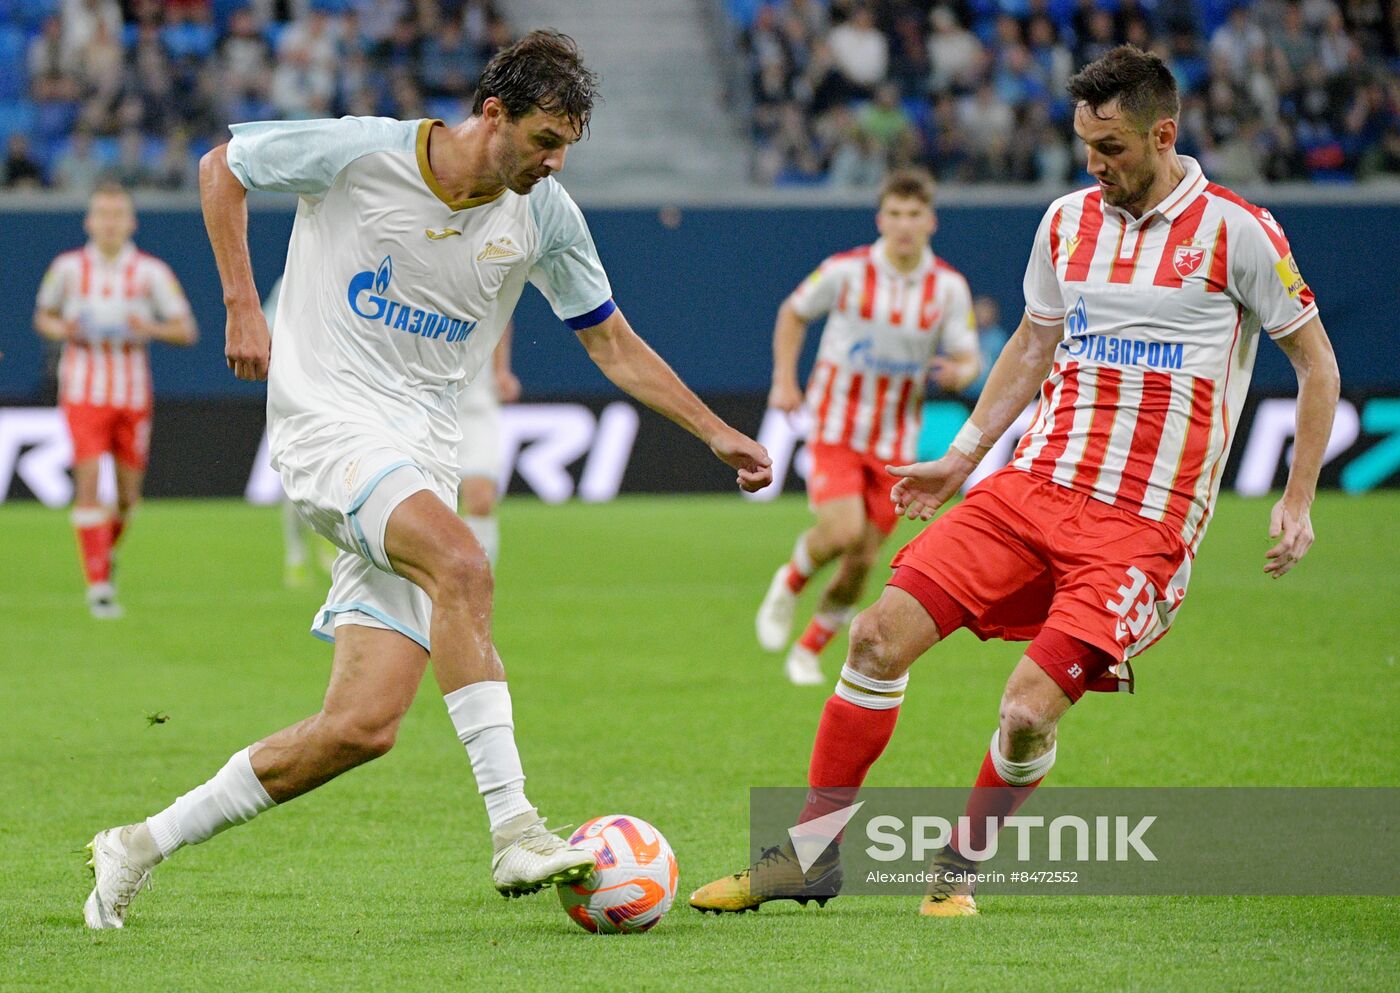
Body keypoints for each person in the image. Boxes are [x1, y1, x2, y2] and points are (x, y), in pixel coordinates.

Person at [83, 30, 772, 929]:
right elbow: (223, 165)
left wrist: (715, 431)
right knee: (465, 563)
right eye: (544, 141)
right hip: (327, 426)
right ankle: (515, 825)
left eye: (566, 148)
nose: (555, 162)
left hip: (420, 453)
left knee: (360, 727)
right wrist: (243, 304)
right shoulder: (364, 149)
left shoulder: (546, 213)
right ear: (494, 114)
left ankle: (137, 842)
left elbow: (610, 340)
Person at [691, 45, 1339, 917]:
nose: (1094, 164)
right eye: (1083, 144)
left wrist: (1296, 500)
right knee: (876, 636)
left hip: (1142, 526)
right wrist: (963, 457)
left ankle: (958, 869)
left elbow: (1317, 364)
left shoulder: (1239, 231)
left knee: (1028, 712)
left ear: (1164, 134)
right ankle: (810, 853)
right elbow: (1033, 344)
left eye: (1111, 148)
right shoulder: (1067, 220)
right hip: (1031, 486)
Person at [757, 168, 980, 685]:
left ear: (931, 221)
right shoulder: (846, 271)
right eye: (895, 214)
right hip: (836, 426)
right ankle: (788, 584)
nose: (904, 225)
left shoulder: (947, 288)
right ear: (881, 219)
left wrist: (959, 373)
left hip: (895, 441)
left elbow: (968, 359)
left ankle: (808, 649)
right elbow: (793, 313)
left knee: (862, 560)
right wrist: (784, 381)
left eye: (914, 215)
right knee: (842, 529)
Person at [33, 183, 197, 619]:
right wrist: (63, 329)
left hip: (132, 392)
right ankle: (99, 587)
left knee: (127, 498)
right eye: (101, 214)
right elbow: (43, 317)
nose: (108, 223)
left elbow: (186, 330)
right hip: (83, 389)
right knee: (87, 481)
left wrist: (149, 328)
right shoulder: (68, 269)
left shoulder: (150, 273)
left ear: (130, 222)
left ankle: (103, 554)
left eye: (116, 214)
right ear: (89, 221)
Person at [457, 322, 520, 567]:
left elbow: (500, 312)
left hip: (476, 401)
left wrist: (501, 369)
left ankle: (478, 590)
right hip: (421, 401)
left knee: (481, 499)